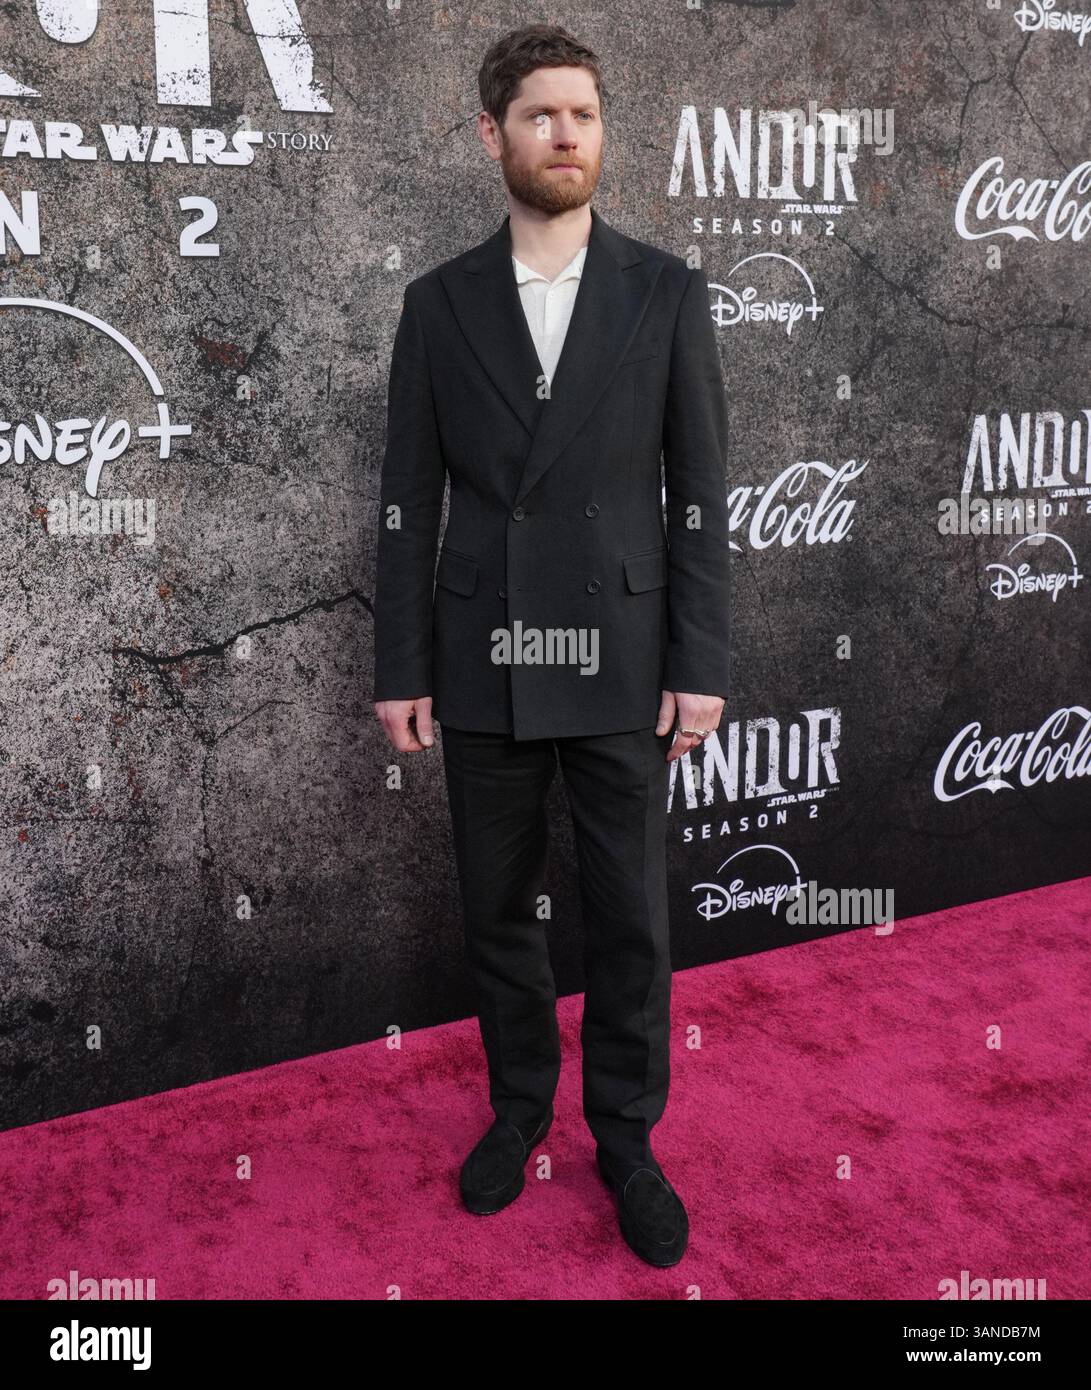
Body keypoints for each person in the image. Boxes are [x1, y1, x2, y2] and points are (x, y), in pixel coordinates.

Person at [373, 23, 730, 1268]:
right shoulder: (436, 304)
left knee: (630, 916)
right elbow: (406, 501)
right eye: (539, 115)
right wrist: (400, 667)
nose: (564, 135)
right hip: (482, 657)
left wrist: (700, 662)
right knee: (498, 912)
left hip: (628, 655)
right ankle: (518, 1106)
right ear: (493, 135)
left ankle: (624, 1137)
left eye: (581, 114)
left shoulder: (666, 292)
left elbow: (699, 490)